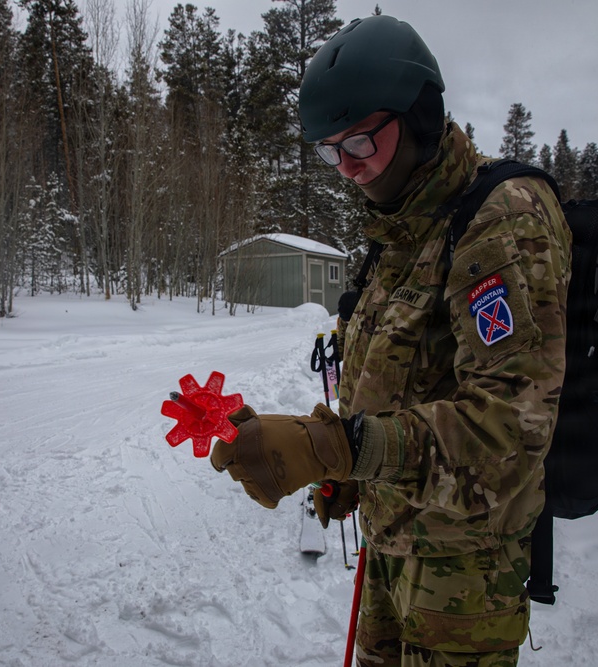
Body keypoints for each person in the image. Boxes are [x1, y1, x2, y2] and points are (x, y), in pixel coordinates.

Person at [211, 14, 570, 667]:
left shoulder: (500, 218)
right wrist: (343, 469)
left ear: (419, 115)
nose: (347, 169)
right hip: (392, 552)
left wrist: (340, 447)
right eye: (330, 152)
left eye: (360, 144)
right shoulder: (399, 232)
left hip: (461, 581)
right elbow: (395, 383)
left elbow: (510, 432)